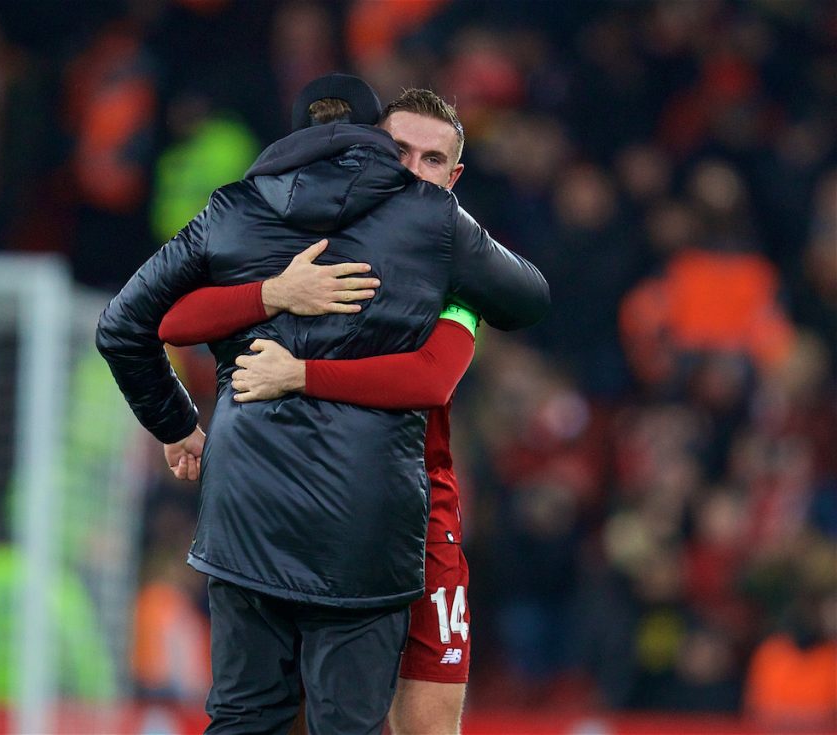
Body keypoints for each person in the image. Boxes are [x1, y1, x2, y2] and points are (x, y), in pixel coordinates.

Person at [96, 73, 549, 734]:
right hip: (372, 523)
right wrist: (275, 295)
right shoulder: (434, 228)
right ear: (372, 139)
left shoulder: (235, 211)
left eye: (432, 161)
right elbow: (528, 298)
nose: (412, 172)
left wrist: (205, 407)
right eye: (400, 152)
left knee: (248, 719)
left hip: (256, 516)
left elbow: (140, 322)